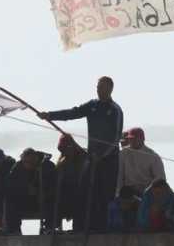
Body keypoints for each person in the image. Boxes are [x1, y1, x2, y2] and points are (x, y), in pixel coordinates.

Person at [38, 76, 123, 231]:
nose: (99, 90)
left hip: (108, 160)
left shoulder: (115, 110)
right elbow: (72, 113)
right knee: (83, 191)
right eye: (97, 87)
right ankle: (80, 227)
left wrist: (102, 155)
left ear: (110, 89)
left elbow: (115, 138)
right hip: (92, 158)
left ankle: (102, 229)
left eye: (102, 87)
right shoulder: (92, 105)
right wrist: (50, 115)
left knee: (104, 195)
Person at [1, 148, 56, 235]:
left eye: (30, 162)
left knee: (53, 199)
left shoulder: (48, 166)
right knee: (10, 200)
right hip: (25, 200)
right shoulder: (18, 167)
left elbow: (54, 185)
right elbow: (10, 185)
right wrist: (24, 190)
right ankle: (14, 230)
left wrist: (40, 191)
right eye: (25, 162)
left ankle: (49, 228)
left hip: (44, 200)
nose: (28, 165)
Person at [117, 127, 166, 199]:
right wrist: (118, 193)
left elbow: (160, 178)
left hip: (148, 191)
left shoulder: (153, 156)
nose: (132, 141)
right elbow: (119, 175)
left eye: (135, 138)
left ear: (142, 139)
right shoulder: (123, 153)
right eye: (130, 139)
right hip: (128, 190)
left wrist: (148, 189)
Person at [54, 134, 88, 232]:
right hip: (64, 194)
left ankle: (78, 227)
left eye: (68, 148)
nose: (66, 151)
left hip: (80, 192)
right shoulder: (62, 162)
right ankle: (53, 226)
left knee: (79, 199)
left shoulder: (83, 157)